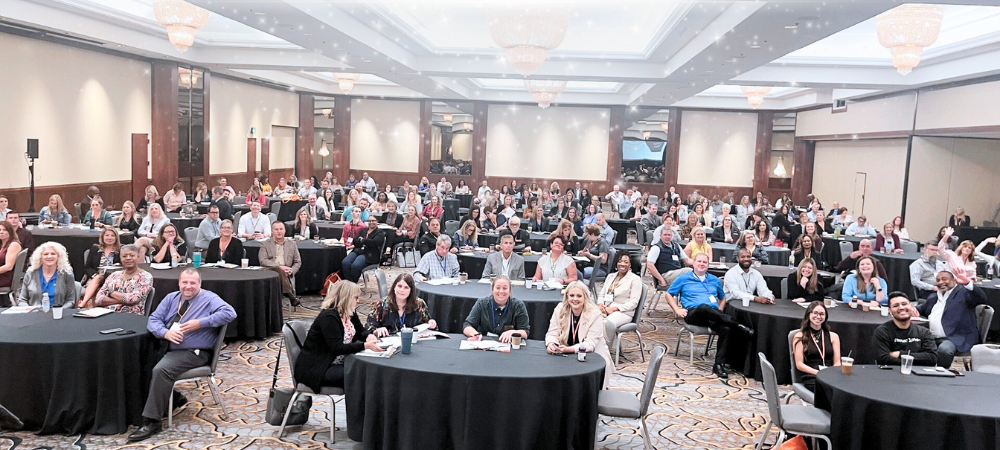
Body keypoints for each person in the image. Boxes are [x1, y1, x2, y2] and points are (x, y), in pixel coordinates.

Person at [127, 268, 236, 442]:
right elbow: (153, 320)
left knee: (161, 370)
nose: (188, 286)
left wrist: (200, 323)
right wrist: (165, 333)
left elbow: (230, 313)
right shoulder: (171, 298)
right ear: (179, 283)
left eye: (193, 283)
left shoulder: (209, 298)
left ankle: (152, 421)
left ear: (200, 284)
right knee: (137, 360)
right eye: (185, 282)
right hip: (168, 346)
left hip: (195, 352)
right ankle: (165, 400)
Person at [666, 253, 754, 379]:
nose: (702, 264)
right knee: (703, 307)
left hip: (712, 316)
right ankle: (737, 324)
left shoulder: (714, 279)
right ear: (694, 263)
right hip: (693, 314)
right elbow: (668, 294)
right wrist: (677, 309)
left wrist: (719, 311)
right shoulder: (683, 278)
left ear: (708, 265)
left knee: (726, 329)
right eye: (699, 261)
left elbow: (722, 298)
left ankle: (719, 364)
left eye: (705, 262)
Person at [912, 270, 990, 368]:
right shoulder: (934, 296)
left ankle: (940, 373)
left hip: (955, 337)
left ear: (954, 280)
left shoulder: (963, 293)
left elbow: (981, 298)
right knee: (911, 344)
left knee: (945, 350)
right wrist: (912, 309)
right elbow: (922, 308)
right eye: (938, 280)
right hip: (932, 337)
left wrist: (967, 283)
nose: (940, 282)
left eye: (944, 279)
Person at [545, 281, 614, 387]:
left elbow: (590, 344)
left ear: (585, 297)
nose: (575, 299)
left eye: (579, 296)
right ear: (567, 296)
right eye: (572, 295)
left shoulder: (595, 314)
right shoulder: (560, 309)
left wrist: (570, 349)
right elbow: (552, 332)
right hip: (567, 356)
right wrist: (551, 344)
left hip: (592, 356)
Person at [80, 244, 152, 313]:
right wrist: (122, 299)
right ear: (120, 258)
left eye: (132, 255)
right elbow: (98, 299)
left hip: (131, 316)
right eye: (124, 256)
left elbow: (133, 299)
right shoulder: (113, 275)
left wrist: (111, 293)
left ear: (138, 257)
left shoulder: (145, 276)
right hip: (107, 314)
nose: (128, 258)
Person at [872, 292, 937, 367]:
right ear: (890, 311)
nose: (901, 308)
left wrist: (900, 354)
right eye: (896, 305)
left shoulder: (924, 332)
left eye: (904, 304)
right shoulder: (882, 332)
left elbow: (932, 358)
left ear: (911, 306)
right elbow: (883, 359)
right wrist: (918, 359)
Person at [463, 276, 529, 343]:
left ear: (509, 291)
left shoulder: (518, 306)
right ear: (492, 290)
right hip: (485, 345)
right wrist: (475, 334)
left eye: (505, 288)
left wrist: (513, 332)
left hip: (508, 345)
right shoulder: (481, 303)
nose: (501, 291)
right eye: (497, 288)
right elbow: (467, 325)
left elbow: (525, 332)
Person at [791, 301, 841, 392]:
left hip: (830, 375)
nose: (818, 317)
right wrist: (818, 373)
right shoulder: (800, 336)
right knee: (829, 391)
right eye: (815, 313)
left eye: (822, 314)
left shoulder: (833, 336)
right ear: (808, 314)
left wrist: (830, 373)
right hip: (812, 375)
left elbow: (837, 362)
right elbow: (799, 364)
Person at [368, 273, 438, 337]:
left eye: (406, 287)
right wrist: (376, 330)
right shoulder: (381, 304)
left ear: (411, 290)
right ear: (394, 287)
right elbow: (368, 327)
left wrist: (432, 324)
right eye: (399, 286)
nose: (402, 290)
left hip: (412, 342)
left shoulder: (419, 304)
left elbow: (429, 324)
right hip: (388, 343)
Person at [15, 242, 76, 307]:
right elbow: (22, 300)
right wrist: (28, 311)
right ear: (40, 257)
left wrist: (59, 311)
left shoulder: (67, 274)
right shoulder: (30, 273)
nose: (49, 256)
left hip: (58, 314)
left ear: (58, 256)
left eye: (53, 254)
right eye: (46, 254)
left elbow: (70, 301)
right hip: (34, 314)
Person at [259, 221, 302, 306]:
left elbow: (298, 262)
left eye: (281, 229)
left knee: (281, 272)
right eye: (276, 229)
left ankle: (288, 294)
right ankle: (290, 295)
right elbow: (262, 260)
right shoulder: (265, 244)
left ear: (284, 230)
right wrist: (279, 266)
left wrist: (291, 271)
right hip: (270, 271)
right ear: (272, 231)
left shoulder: (292, 244)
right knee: (278, 270)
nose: (279, 231)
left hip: (287, 273)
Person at [598, 253, 643, 330]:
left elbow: (633, 302)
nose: (622, 264)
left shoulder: (635, 279)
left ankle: (607, 342)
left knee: (607, 323)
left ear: (630, 265)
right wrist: (600, 304)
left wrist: (614, 308)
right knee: (589, 318)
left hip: (623, 312)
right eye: (620, 261)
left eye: (626, 262)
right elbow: (601, 294)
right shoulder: (610, 276)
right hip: (605, 309)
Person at [341, 217, 386, 283]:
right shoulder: (363, 230)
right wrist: (364, 241)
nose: (371, 222)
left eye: (373, 221)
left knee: (356, 265)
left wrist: (363, 240)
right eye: (369, 221)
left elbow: (374, 242)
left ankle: (353, 282)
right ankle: (348, 282)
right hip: (358, 251)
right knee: (345, 262)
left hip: (370, 254)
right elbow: (355, 241)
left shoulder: (380, 233)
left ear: (377, 221)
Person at [0, 222, 23, 290]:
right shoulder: (2, 244)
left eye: (4, 230)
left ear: (10, 231)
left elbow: (9, 266)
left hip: (5, 278)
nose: (1, 232)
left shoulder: (13, 245)